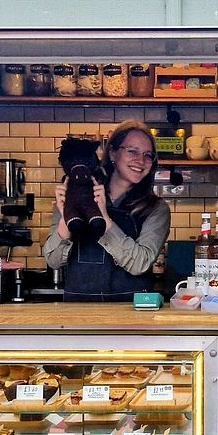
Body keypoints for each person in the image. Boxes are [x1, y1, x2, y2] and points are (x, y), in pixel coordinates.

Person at [44, 120, 171, 302]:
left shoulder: (157, 209)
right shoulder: (74, 193)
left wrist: (104, 219)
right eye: (132, 151)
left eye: (148, 155)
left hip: (132, 311)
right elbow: (53, 261)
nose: (141, 160)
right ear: (112, 153)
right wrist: (66, 216)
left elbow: (140, 263)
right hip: (78, 312)